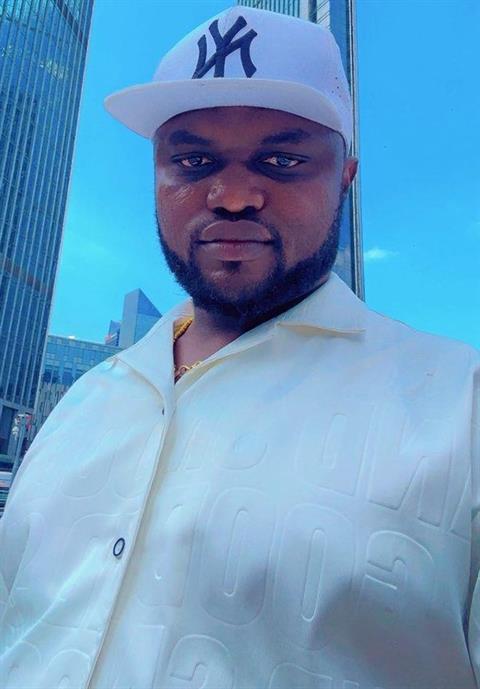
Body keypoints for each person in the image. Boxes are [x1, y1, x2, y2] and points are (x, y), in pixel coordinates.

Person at [0, 6, 479, 689]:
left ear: (345, 176)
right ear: (157, 175)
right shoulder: (81, 404)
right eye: (193, 161)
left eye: (281, 161)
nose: (231, 197)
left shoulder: (459, 410)